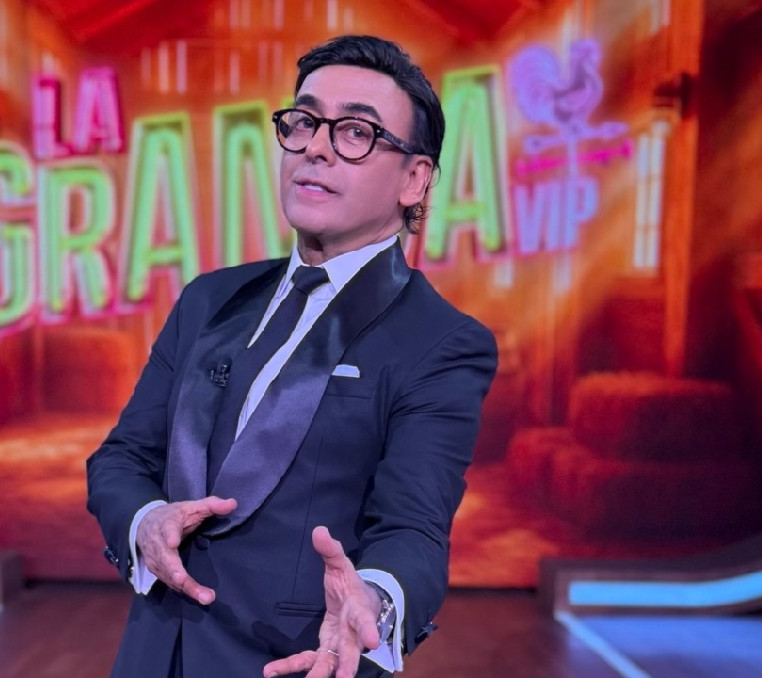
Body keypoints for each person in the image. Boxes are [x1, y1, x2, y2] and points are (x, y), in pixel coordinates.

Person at [86, 35, 497, 678]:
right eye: (303, 121)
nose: (315, 147)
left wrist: (375, 601)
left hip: (299, 662)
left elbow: (414, 527)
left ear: (414, 179)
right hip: (152, 656)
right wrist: (144, 520)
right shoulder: (209, 299)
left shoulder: (441, 342)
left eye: (355, 132)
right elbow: (122, 458)